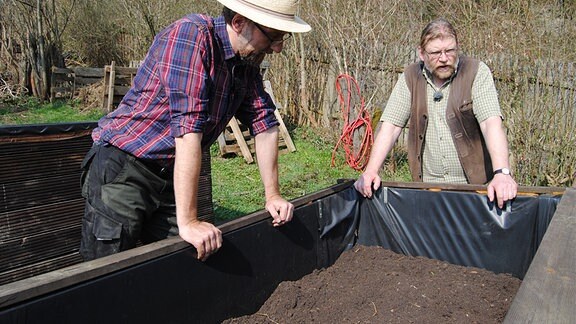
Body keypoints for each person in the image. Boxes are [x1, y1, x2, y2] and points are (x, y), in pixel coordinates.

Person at [79, 0, 311, 262]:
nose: (278, 48)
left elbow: (264, 122)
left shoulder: (246, 64)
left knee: (186, 262)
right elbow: (188, 128)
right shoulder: (191, 36)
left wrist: (273, 195)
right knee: (109, 269)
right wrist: (188, 221)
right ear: (238, 23)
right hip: (124, 168)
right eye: (273, 36)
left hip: (168, 175)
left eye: (283, 38)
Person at [354, 18, 517, 209]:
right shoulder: (410, 77)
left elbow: (491, 123)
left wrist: (502, 173)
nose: (444, 58)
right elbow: (391, 126)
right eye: (435, 53)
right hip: (429, 189)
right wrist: (371, 170)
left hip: (476, 190)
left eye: (450, 51)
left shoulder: (476, 72)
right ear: (421, 54)